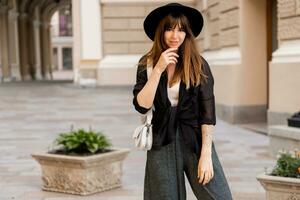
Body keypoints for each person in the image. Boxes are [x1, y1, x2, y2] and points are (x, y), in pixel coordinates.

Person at [132, 3, 233, 200]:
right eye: (169, 29)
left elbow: (207, 113)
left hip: (195, 139)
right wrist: (159, 69)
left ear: (187, 34)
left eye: (181, 30)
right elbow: (141, 105)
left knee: (219, 196)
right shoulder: (148, 64)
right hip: (162, 141)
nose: (175, 36)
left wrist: (206, 155)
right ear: (161, 32)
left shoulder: (198, 64)